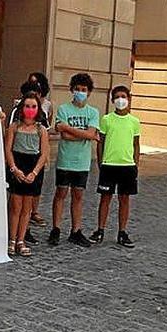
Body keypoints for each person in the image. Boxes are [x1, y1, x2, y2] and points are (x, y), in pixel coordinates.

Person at [48, 73, 100, 247]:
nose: (80, 92)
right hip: (65, 159)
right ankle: (56, 228)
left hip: (82, 161)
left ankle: (76, 230)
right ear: (72, 90)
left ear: (89, 92)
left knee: (78, 195)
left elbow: (89, 133)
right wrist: (86, 135)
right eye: (77, 89)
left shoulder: (93, 112)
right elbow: (65, 135)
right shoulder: (63, 109)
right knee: (60, 193)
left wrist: (69, 129)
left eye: (83, 90)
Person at [89, 85, 140, 248]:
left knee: (124, 199)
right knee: (105, 198)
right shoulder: (106, 119)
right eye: (117, 97)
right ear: (112, 100)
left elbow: (136, 144)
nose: (121, 100)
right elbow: (100, 142)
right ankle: (100, 229)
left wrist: (136, 164)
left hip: (127, 166)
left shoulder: (134, 121)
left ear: (129, 98)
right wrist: (100, 161)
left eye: (123, 97)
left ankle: (122, 232)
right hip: (109, 165)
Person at [4, 92, 50, 257]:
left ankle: (21, 239)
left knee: (27, 208)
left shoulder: (41, 130)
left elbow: (44, 153)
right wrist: (14, 168)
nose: (30, 109)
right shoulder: (14, 127)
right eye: (27, 106)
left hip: (33, 168)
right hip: (18, 165)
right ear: (21, 108)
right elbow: (8, 149)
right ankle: (12, 239)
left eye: (33, 106)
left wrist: (35, 172)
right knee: (15, 206)